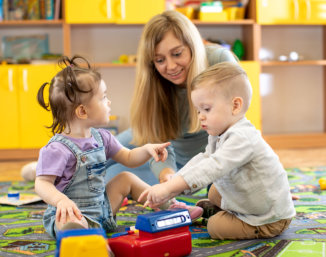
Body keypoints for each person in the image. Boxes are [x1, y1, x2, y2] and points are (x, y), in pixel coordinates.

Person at [34, 55, 203, 240]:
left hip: (103, 209)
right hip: (72, 213)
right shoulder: (57, 149)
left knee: (126, 178)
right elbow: (41, 184)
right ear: (82, 111)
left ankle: (169, 204)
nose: (109, 102)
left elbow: (129, 157)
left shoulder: (102, 137)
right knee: (66, 223)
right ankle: (85, 239)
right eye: (103, 97)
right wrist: (61, 201)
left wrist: (146, 150)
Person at [139, 62, 296, 240]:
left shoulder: (242, 137)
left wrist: (169, 188)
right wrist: (172, 185)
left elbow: (213, 167)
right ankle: (228, 210)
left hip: (267, 217)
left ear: (235, 106)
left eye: (206, 109)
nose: (201, 117)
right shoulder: (219, 133)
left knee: (215, 227)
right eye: (198, 111)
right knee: (214, 191)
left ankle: (230, 217)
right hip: (250, 199)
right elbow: (204, 158)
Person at [105, 10, 238, 185]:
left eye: (177, 54)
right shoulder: (155, 82)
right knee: (101, 155)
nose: (171, 66)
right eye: (160, 60)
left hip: (205, 158)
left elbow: (236, 132)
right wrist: (166, 174)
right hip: (169, 150)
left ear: (192, 46)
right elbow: (155, 139)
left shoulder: (219, 61)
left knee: (114, 177)